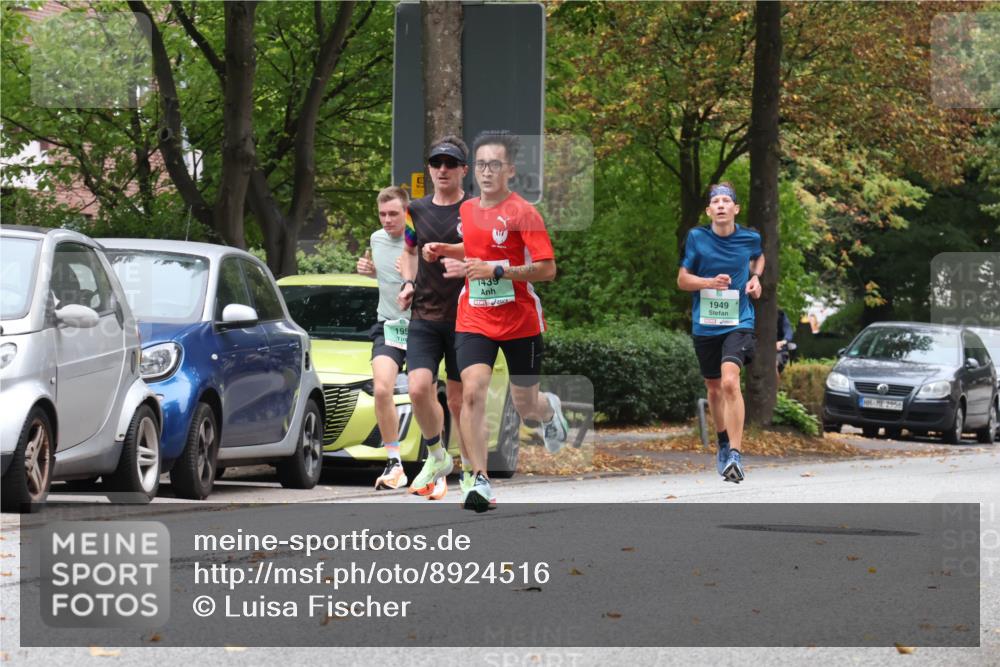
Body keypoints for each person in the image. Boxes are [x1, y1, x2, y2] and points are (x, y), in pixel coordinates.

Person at [424, 130, 568, 512]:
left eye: (495, 165)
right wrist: (445, 249)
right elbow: (475, 249)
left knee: (525, 406)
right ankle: (480, 479)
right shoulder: (468, 210)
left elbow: (547, 269)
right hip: (474, 315)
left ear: (510, 171)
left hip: (521, 319)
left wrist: (497, 270)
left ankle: (548, 409)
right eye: (482, 164)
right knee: (471, 391)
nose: (487, 172)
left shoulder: (525, 213)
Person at [396, 136, 471, 501]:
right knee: (417, 388)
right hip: (424, 313)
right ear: (429, 169)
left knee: (458, 401)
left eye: (450, 164)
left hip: (465, 318)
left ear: (463, 171)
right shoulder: (416, 210)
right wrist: (408, 282)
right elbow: (408, 251)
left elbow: (490, 251)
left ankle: (472, 469)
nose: (443, 169)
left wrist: (464, 261)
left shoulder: (475, 211)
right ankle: (437, 455)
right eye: (437, 163)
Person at [676, 182, 764, 483]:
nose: (722, 205)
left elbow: (758, 256)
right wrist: (708, 283)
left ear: (736, 209)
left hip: (739, 322)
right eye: (717, 201)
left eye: (728, 201)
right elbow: (682, 280)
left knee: (729, 382)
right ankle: (723, 441)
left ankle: (737, 456)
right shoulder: (697, 238)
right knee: (713, 388)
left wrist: (754, 278)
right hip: (706, 325)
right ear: (709, 210)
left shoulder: (750, 237)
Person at [357, 186, 412, 490]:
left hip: (421, 328)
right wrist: (369, 270)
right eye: (382, 214)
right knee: (381, 390)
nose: (387, 220)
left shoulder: (418, 242)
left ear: (406, 212)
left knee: (422, 394)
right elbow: (381, 275)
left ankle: (435, 456)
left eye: (394, 213)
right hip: (388, 325)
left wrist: (412, 279)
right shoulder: (376, 239)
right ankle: (394, 462)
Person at [776, 308, 794, 382]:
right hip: (763, 351)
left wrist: (782, 342)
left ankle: (773, 391)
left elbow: (788, 332)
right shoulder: (757, 315)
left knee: (773, 364)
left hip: (780, 351)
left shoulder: (781, 315)